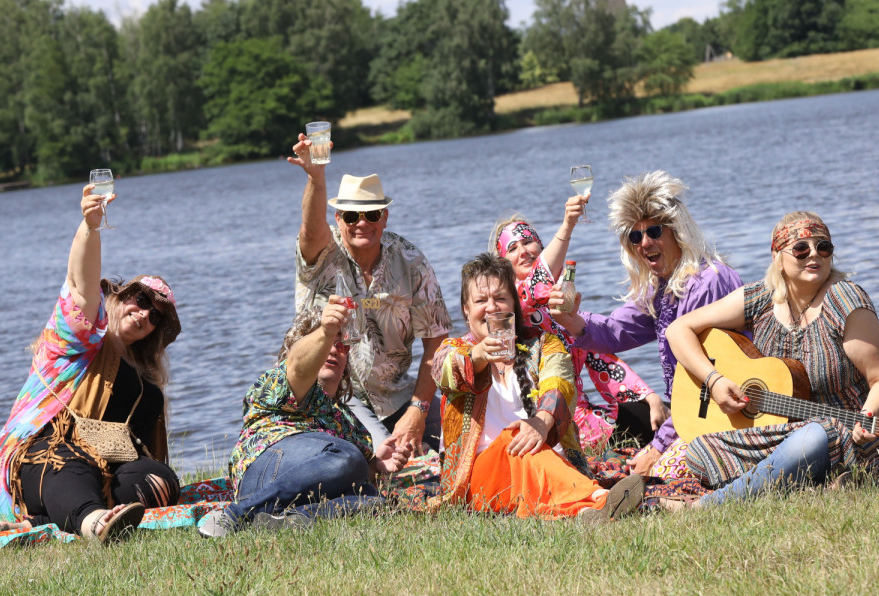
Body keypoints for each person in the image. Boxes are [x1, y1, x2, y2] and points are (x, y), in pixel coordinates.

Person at [0, 185, 183, 544]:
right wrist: (90, 227)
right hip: (41, 453)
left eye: (155, 316)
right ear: (119, 296)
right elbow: (80, 286)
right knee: (67, 459)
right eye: (140, 300)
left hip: (108, 467)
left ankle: (44, 519)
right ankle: (94, 524)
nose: (144, 314)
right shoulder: (79, 339)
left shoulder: (144, 378)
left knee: (158, 478)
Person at [664, 211, 879, 506]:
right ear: (777, 257)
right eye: (801, 248)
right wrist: (713, 380)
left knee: (814, 438)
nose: (814, 254)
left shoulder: (846, 301)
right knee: (701, 450)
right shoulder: (761, 298)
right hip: (784, 429)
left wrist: (868, 416)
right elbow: (679, 329)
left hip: (849, 432)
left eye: (823, 247)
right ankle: (807, 483)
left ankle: (706, 506)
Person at [548, 171, 743, 477]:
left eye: (654, 231)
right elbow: (615, 331)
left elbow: (696, 385)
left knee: (655, 473)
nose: (645, 243)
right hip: (694, 410)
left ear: (676, 230)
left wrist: (658, 448)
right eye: (635, 236)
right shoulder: (662, 287)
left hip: (726, 409)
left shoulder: (706, 283)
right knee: (625, 468)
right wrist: (571, 320)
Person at [432, 252, 646, 521]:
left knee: (531, 453)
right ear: (465, 309)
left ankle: (588, 512)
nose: (491, 308)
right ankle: (601, 498)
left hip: (544, 460)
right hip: (483, 475)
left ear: (514, 306)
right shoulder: (456, 350)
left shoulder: (545, 345)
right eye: (480, 301)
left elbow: (560, 384)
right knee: (515, 439)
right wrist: (479, 356)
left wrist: (541, 422)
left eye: (500, 298)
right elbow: (441, 370)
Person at [287, 134, 452, 454]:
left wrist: (418, 410)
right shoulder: (321, 254)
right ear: (337, 219)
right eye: (351, 216)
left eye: (372, 214)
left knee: (462, 436)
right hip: (335, 395)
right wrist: (316, 178)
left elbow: (437, 337)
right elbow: (309, 230)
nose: (362, 223)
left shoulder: (411, 261)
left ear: (385, 216)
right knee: (386, 454)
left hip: (400, 395)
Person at [198, 300, 411, 538]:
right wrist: (325, 331)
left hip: (295, 494)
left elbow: (343, 474)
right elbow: (298, 366)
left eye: (341, 345)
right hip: (263, 474)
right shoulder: (280, 383)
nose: (333, 348)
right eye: (327, 342)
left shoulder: (348, 421)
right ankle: (236, 515)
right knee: (348, 456)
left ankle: (290, 519)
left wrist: (375, 466)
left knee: (375, 501)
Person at [490, 196, 668, 451]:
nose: (523, 251)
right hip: (540, 422)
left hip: (583, 416)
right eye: (513, 248)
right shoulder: (514, 305)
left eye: (528, 242)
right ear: (503, 263)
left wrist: (648, 397)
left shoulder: (561, 307)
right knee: (658, 432)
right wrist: (567, 225)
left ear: (541, 247)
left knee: (659, 417)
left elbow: (599, 358)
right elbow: (539, 279)